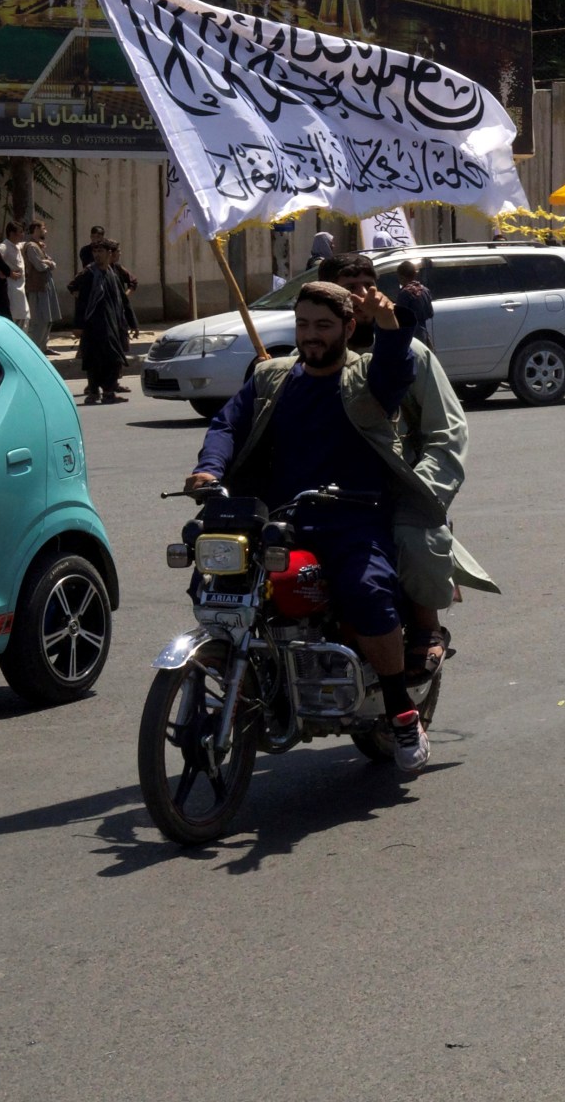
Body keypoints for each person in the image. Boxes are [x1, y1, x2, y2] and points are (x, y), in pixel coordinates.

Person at [184, 282, 431, 768]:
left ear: (347, 328)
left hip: (351, 517)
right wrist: (209, 468)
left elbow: (396, 368)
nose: (310, 335)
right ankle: (255, 673)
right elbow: (227, 425)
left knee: (369, 593)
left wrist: (387, 320)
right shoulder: (272, 378)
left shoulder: (365, 378)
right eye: (303, 325)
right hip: (280, 519)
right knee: (216, 579)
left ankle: (402, 713)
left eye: (322, 325)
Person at [325, 254, 499, 682]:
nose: (361, 295)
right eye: (349, 286)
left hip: (397, 484)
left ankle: (426, 628)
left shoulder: (411, 351)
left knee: (411, 534)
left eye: (368, 283)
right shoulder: (313, 353)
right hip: (325, 486)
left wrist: (422, 486)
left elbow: (448, 429)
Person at [68, 240, 130, 403]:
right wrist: (78, 325)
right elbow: (81, 300)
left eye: (100, 251)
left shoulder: (112, 274)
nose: (96, 255)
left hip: (111, 323)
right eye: (95, 252)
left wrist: (132, 323)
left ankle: (109, 392)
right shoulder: (89, 273)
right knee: (93, 359)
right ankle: (93, 392)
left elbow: (123, 300)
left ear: (109, 254)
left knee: (113, 358)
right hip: (92, 324)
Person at [23, 221, 58, 353]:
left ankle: (43, 347)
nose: (46, 231)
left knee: (48, 318)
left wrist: (47, 261)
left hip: (45, 285)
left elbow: (53, 264)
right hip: (37, 287)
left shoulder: (39, 246)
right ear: (37, 229)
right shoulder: (31, 247)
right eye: (44, 228)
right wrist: (47, 262)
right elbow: (39, 266)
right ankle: (35, 349)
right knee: (40, 319)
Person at [0, 220, 30, 329]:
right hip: (11, 289)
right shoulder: (3, 247)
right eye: (20, 232)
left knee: (24, 317)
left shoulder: (17, 246)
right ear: (12, 234)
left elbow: (25, 244)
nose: (23, 235)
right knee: (16, 318)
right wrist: (8, 273)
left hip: (20, 289)